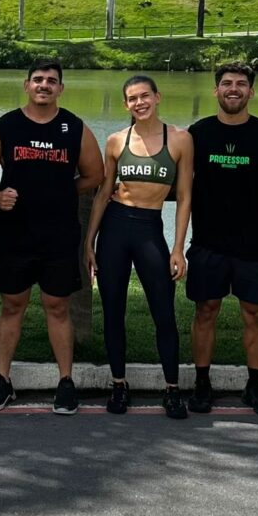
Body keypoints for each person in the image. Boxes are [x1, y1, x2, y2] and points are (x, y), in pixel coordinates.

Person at [0, 58, 104, 414]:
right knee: (12, 305)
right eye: (38, 79)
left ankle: (66, 382)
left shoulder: (74, 128)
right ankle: (2, 380)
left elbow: (95, 175)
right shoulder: (5, 127)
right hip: (14, 234)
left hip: (59, 236)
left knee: (57, 306)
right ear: (26, 85)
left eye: (51, 80)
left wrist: (65, 191)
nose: (44, 85)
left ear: (61, 88)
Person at [186, 63, 258, 417]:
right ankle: (202, 383)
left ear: (251, 92)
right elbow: (176, 182)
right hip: (208, 242)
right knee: (205, 311)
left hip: (252, 242)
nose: (233, 89)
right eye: (226, 84)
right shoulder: (197, 133)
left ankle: (255, 385)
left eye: (240, 84)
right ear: (215, 91)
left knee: (256, 315)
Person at [85, 75, 193, 419]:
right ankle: (119, 385)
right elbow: (103, 193)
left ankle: (172, 390)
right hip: (114, 230)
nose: (140, 103)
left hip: (150, 230)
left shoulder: (179, 139)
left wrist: (178, 248)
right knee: (113, 311)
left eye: (145, 96)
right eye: (132, 98)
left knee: (164, 312)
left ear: (157, 97)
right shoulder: (117, 140)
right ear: (126, 104)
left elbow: (186, 196)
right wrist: (89, 242)